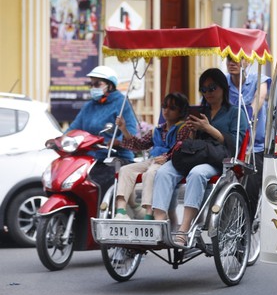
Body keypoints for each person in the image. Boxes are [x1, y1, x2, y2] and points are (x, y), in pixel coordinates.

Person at [151, 68, 249, 246]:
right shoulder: (198, 111)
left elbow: (236, 143)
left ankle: (185, 228)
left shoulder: (235, 112)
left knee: (196, 174)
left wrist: (208, 128)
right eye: (204, 90)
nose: (208, 93)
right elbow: (189, 141)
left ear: (223, 88)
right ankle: (159, 223)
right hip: (193, 154)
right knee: (164, 172)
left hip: (216, 158)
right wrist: (191, 130)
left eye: (212, 88)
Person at [113, 92, 192, 220]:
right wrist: (124, 129)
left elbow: (181, 147)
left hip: (169, 162)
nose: (166, 111)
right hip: (153, 160)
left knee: (149, 174)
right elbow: (139, 145)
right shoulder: (157, 130)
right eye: (164, 107)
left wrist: (166, 157)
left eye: (172, 108)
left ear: (181, 111)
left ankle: (148, 213)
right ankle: (121, 211)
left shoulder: (183, 128)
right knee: (125, 170)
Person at [67, 65, 137, 197]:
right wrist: (60, 140)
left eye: (97, 84)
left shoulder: (122, 103)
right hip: (90, 159)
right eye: (91, 84)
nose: (93, 87)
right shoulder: (89, 106)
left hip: (115, 159)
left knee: (97, 184)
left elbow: (131, 131)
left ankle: (100, 214)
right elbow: (73, 128)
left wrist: (118, 141)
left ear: (110, 85)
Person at [225, 57, 271, 217]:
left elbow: (260, 97)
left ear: (248, 61)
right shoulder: (223, 83)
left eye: (238, 59)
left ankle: (248, 225)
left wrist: (251, 112)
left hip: (253, 146)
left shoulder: (258, 80)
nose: (232, 62)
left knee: (251, 190)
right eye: (229, 58)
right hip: (229, 144)